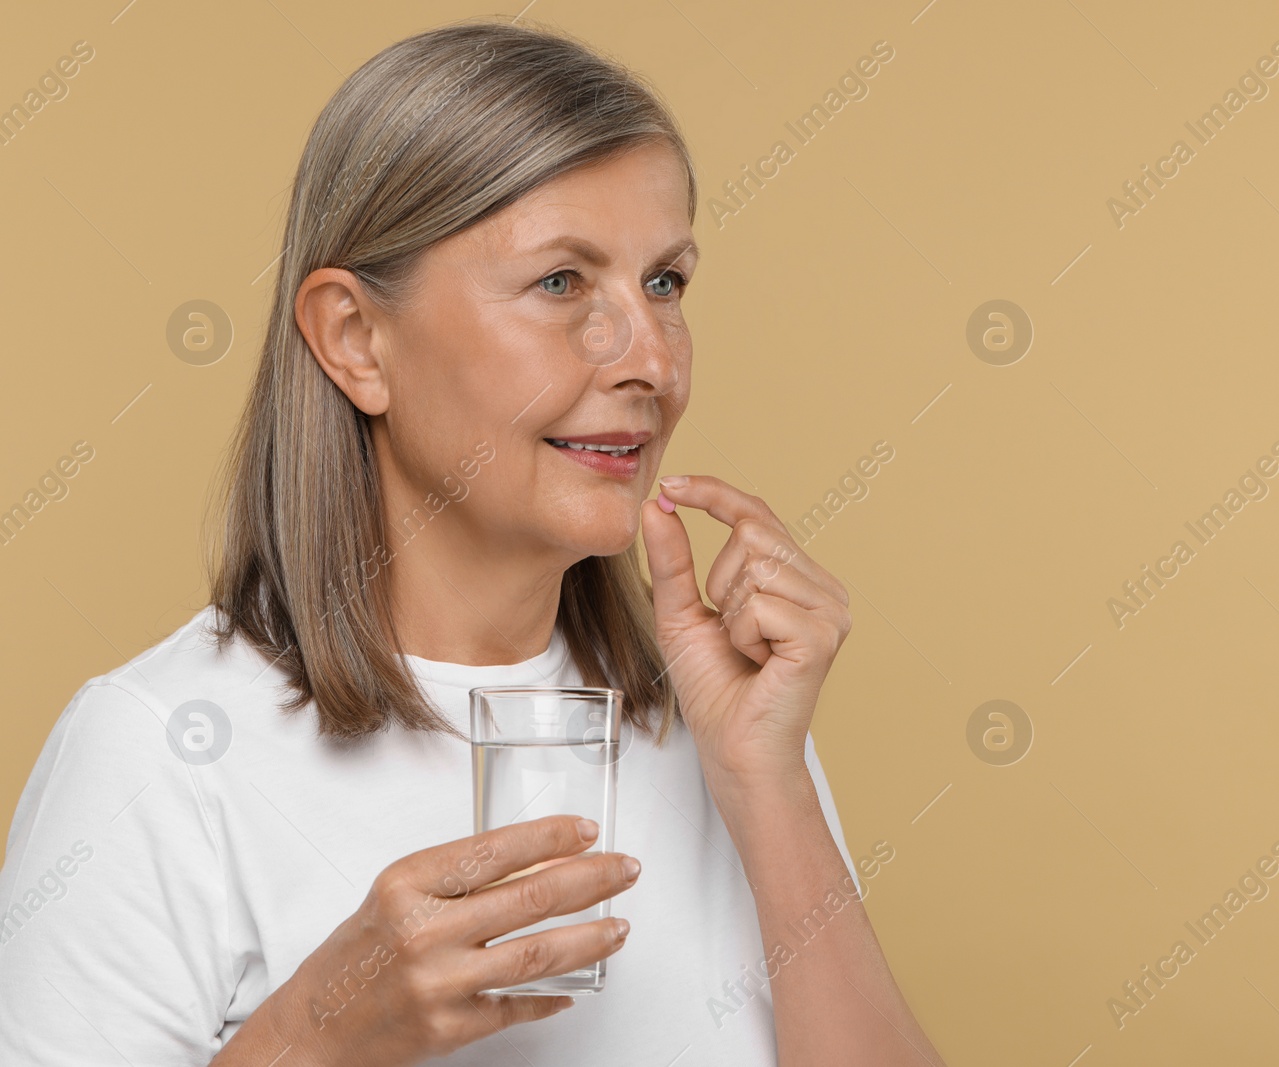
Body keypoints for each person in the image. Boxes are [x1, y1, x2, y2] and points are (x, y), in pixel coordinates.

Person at [0, 19, 945, 1067]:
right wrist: (311, 1038)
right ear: (357, 340)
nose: (649, 360)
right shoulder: (156, 753)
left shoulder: (728, 730)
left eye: (665, 282)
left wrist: (769, 786)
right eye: (561, 282)